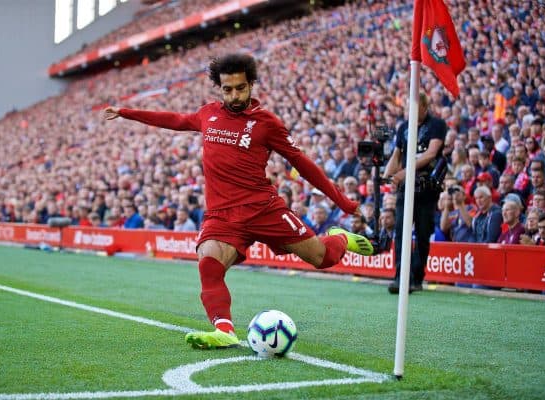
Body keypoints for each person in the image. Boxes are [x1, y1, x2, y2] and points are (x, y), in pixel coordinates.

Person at [103, 53, 373, 350]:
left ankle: (340, 239)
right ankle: (225, 329)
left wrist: (345, 203)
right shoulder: (208, 114)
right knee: (208, 264)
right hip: (222, 215)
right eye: (227, 89)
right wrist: (127, 112)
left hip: (263, 208)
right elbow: (176, 120)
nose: (234, 95)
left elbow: (304, 163)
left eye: (240, 88)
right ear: (219, 88)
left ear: (251, 85)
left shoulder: (267, 123)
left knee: (322, 259)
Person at [383, 93, 447, 294]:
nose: (409, 111)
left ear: (425, 106)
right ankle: (400, 278)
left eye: (413, 107)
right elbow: (396, 154)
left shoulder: (437, 124)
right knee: (401, 232)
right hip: (405, 187)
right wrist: (386, 177)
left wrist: (404, 172)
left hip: (426, 187)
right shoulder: (403, 127)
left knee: (421, 234)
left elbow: (431, 153)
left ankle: (416, 277)